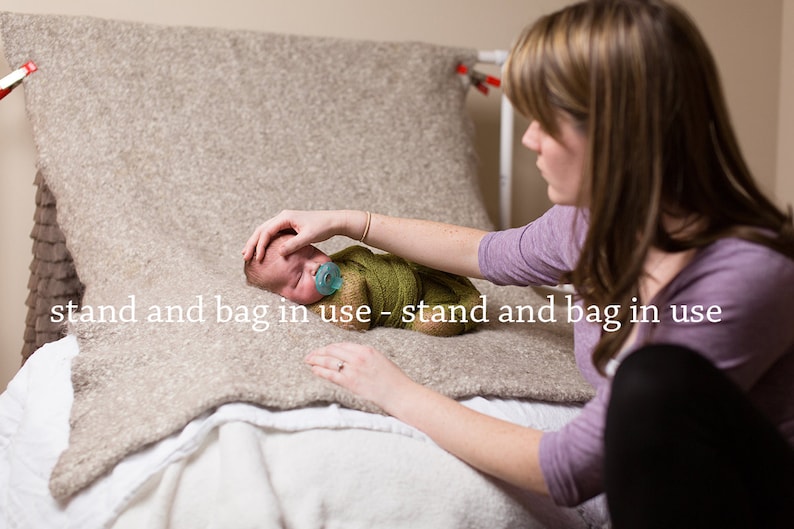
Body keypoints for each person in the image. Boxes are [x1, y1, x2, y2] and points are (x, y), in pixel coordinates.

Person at [241, 0, 794, 526]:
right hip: (663, 479)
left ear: (617, 134)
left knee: (653, 381)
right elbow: (485, 253)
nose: (530, 139)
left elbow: (568, 468)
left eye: (546, 122)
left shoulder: (746, 274)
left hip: (755, 498)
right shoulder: (592, 224)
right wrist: (345, 221)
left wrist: (395, 389)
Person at [244, 230, 482, 336]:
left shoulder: (339, 264)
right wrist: (354, 287)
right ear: (285, 298)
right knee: (432, 323)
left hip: (411, 273)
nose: (314, 267)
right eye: (299, 277)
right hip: (414, 306)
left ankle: (455, 279)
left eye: (312, 253)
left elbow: (362, 254)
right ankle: (467, 309)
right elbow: (355, 322)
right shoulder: (320, 308)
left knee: (425, 256)